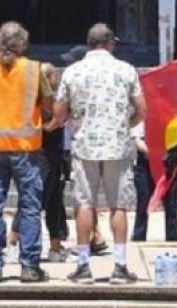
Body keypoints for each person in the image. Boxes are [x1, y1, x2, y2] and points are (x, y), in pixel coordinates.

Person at [54, 23, 147, 285]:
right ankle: (120, 266)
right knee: (118, 205)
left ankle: (83, 265)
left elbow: (59, 112)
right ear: (110, 43)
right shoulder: (125, 70)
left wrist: (75, 122)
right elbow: (142, 109)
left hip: (85, 145)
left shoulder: (73, 71)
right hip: (117, 145)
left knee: (85, 203)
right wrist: (125, 124)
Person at [0, 22, 52, 283]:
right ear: (23, 44)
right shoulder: (34, 69)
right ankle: (29, 266)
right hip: (27, 149)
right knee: (30, 207)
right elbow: (48, 104)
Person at [9, 63, 70, 262]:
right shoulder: (42, 102)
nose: (57, 78)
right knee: (34, 200)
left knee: (55, 201)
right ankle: (13, 241)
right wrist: (59, 118)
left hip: (55, 156)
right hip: (43, 156)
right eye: (53, 75)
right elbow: (49, 125)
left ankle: (56, 247)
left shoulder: (50, 100)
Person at [58, 44, 109, 256]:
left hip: (77, 144)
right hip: (83, 142)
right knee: (86, 195)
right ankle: (95, 234)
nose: (67, 65)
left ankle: (89, 238)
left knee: (82, 197)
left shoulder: (75, 81)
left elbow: (61, 111)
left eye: (70, 61)